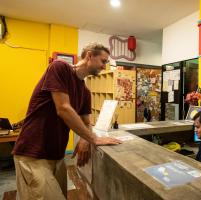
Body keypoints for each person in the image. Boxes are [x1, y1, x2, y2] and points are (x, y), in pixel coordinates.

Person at [12, 43, 122, 200]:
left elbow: (86, 121)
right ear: (89, 55)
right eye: (103, 61)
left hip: (57, 156)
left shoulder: (85, 91)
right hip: (33, 153)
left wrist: (85, 138)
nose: (104, 66)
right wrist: (94, 139)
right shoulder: (59, 67)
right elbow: (63, 108)